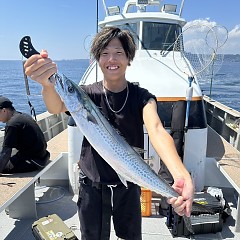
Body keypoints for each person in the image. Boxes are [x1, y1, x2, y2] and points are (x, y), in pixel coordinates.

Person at [24, 27, 194, 240]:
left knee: (130, 237)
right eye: (104, 53)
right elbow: (55, 107)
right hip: (92, 184)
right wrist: (47, 84)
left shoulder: (142, 97)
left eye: (118, 53)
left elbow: (157, 130)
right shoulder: (86, 94)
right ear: (97, 59)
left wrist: (180, 175)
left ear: (129, 58)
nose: (111, 59)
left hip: (130, 183)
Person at [0, 96, 50, 173]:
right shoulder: (23, 116)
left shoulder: (12, 124)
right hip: (43, 156)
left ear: (4, 111)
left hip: (33, 161)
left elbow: (6, 152)